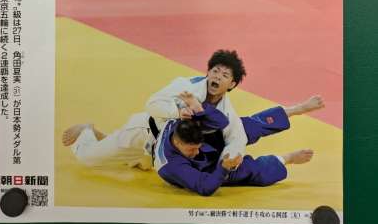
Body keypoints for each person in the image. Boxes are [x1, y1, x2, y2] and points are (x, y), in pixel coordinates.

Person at [62, 50, 324, 175]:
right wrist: (177, 112)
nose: (217, 76)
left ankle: (104, 137)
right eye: (214, 71)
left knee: (135, 163)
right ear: (207, 72)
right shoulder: (185, 86)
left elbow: (237, 137)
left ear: (232, 84)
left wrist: (231, 158)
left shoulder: (225, 110)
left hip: (159, 151)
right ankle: (86, 131)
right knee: (88, 159)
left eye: (224, 75)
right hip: (143, 133)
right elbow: (151, 103)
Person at [154, 91, 316, 196]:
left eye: (197, 147)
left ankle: (296, 109)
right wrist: (224, 167)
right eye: (192, 150)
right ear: (178, 143)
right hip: (206, 169)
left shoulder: (184, 120)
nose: (196, 152)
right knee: (248, 170)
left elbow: (222, 121)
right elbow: (205, 187)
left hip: (206, 140)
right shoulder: (171, 165)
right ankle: (287, 158)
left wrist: (199, 108)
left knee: (243, 127)